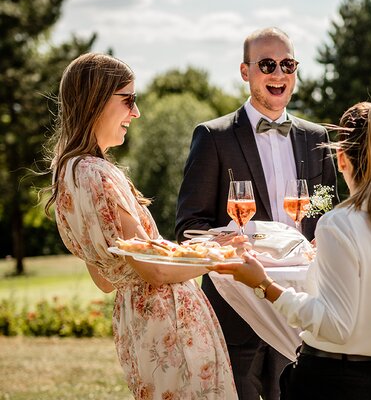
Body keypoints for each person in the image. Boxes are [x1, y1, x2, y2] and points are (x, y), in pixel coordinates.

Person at [211, 94, 371, 400]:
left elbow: (335, 326)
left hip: (331, 383)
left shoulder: (339, 224)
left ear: (343, 159)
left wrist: (263, 285)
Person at [46, 53, 236, 399]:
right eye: (128, 100)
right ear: (96, 101)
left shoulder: (67, 175)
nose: (136, 113)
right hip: (170, 326)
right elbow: (155, 271)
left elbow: (105, 280)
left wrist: (191, 250)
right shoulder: (99, 175)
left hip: (136, 325)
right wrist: (220, 256)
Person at [175, 27, 338, 400]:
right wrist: (227, 241)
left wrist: (319, 240)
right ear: (245, 72)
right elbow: (188, 227)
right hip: (236, 311)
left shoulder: (317, 139)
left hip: (299, 308)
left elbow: (324, 213)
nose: (278, 73)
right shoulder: (213, 137)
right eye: (267, 64)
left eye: (287, 64)